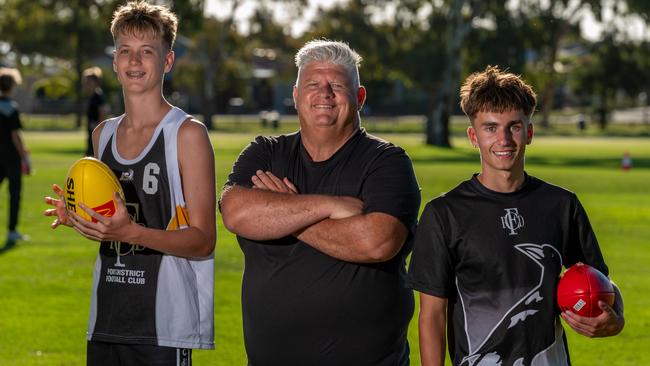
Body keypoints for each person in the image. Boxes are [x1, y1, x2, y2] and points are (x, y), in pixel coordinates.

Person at [220, 40, 421, 365]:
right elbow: (236, 212)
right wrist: (328, 206)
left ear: (359, 97)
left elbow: (377, 241)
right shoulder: (265, 153)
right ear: (297, 95)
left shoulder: (387, 162)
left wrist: (284, 210)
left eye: (337, 86)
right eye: (313, 84)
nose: (325, 94)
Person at [407, 65, 625, 366]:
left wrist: (618, 318)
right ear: (473, 136)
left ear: (530, 132)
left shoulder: (561, 205)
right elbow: (431, 315)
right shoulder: (444, 214)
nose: (504, 139)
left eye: (515, 126)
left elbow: (602, 283)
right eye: (491, 127)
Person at [43, 2, 216, 365]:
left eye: (146, 52)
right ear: (114, 62)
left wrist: (132, 232)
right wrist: (79, 216)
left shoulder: (187, 135)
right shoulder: (102, 135)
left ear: (167, 62)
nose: (134, 62)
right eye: (125, 51)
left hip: (163, 327)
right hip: (106, 318)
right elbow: (112, 223)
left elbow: (203, 241)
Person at [0, 67, 30, 246]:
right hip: (11, 157)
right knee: (14, 194)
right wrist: (24, 156)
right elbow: (15, 135)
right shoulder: (11, 107)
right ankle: (12, 231)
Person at [82, 66, 109, 156]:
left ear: (95, 82)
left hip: (96, 137)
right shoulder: (93, 96)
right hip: (92, 136)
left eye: (88, 82)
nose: (86, 84)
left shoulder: (98, 96)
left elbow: (103, 112)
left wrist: (98, 127)